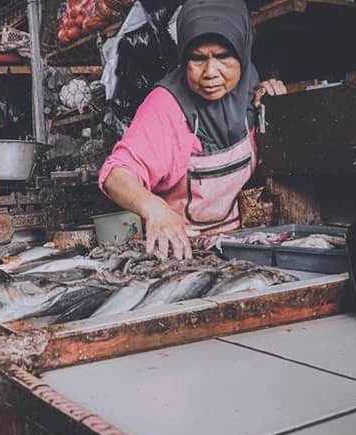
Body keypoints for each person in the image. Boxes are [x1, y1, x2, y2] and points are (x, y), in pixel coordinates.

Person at [99, 0, 286, 259]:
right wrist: (155, 208)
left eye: (223, 57)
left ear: (242, 51)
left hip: (240, 246)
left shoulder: (251, 89)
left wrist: (278, 105)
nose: (210, 72)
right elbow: (116, 174)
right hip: (180, 252)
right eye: (197, 58)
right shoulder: (166, 105)